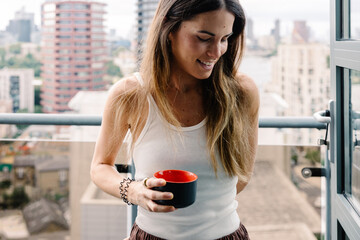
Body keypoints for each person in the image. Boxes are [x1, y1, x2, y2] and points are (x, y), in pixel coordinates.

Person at [90, 0, 259, 239]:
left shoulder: (243, 92)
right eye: (203, 37)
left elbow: (243, 176)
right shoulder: (129, 95)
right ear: (169, 29)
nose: (216, 52)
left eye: (224, 39)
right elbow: (100, 167)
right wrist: (135, 191)